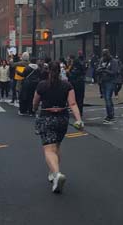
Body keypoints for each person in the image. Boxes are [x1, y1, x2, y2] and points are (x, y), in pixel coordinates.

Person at [32, 61, 83, 194]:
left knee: (49, 149)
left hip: (47, 117)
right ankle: (53, 172)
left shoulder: (42, 85)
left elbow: (35, 101)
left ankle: (56, 174)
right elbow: (72, 103)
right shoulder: (67, 85)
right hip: (62, 118)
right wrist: (79, 120)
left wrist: (34, 109)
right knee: (57, 146)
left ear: (48, 71)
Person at [95, 49, 120, 124]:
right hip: (103, 81)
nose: (104, 57)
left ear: (108, 54)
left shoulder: (114, 61)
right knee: (106, 99)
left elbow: (114, 72)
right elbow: (98, 69)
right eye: (103, 55)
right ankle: (110, 114)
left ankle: (110, 116)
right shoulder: (101, 60)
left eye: (105, 55)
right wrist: (100, 70)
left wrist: (105, 70)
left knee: (108, 98)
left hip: (110, 82)